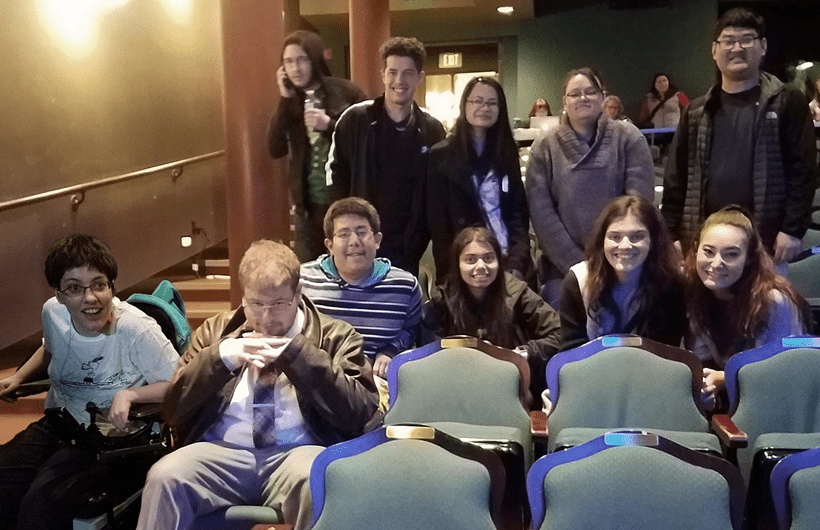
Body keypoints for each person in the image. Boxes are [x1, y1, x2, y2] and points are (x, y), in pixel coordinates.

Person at [136, 240, 379, 530]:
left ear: (298, 293)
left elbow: (360, 413)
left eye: (278, 304)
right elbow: (173, 409)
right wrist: (220, 359)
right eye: (256, 304)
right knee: (165, 476)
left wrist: (299, 356)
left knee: (318, 477)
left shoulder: (336, 335)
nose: (267, 318)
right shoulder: (215, 332)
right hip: (223, 452)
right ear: (243, 298)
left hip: (297, 452)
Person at [0, 235, 178, 530]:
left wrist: (131, 393)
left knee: (41, 508)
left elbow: (180, 383)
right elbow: (50, 346)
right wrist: (19, 377)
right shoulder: (52, 313)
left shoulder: (136, 328)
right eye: (74, 288)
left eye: (99, 284)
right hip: (60, 423)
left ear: (111, 286)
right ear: (59, 294)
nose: (90, 298)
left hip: (112, 437)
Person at [662, 8, 817, 265]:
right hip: (705, 245)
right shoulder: (696, 111)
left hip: (767, 242)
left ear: (763, 46)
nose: (737, 47)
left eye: (746, 39)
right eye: (728, 41)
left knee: (765, 306)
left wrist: (792, 229)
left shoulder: (787, 101)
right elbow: (676, 177)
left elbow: (804, 170)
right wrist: (671, 233)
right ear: (714, 50)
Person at [525, 67, 655, 307]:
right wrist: (580, 268)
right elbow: (541, 213)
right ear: (564, 101)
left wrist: (612, 263)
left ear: (603, 97)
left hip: (624, 263)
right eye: (574, 94)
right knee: (566, 337)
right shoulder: (544, 147)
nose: (582, 98)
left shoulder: (629, 138)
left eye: (590, 91)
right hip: (563, 270)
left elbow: (640, 208)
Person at [326, 36, 446, 276]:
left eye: (408, 73)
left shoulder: (433, 129)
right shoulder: (355, 120)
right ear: (383, 75)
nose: (399, 81)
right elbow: (335, 176)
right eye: (392, 72)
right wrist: (343, 231)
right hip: (358, 243)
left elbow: (437, 191)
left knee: (398, 308)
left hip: (408, 246)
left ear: (420, 77)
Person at [684, 206, 810, 410]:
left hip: (781, 407)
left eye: (731, 254)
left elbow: (783, 373)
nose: (716, 264)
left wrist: (725, 378)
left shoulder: (775, 301)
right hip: (736, 404)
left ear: (749, 258)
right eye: (708, 251)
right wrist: (704, 389)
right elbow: (701, 362)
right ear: (696, 248)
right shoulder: (695, 293)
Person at [421, 227, 561, 409]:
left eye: (488, 258)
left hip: (513, 387)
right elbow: (431, 353)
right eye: (470, 260)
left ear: (499, 261)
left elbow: (558, 331)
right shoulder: (441, 301)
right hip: (457, 387)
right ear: (457, 264)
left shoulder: (518, 292)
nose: (481, 266)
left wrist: (524, 352)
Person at [268, 30, 367, 262]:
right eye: (288, 62)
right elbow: (275, 148)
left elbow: (367, 143)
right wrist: (284, 99)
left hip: (344, 203)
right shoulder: (291, 101)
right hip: (307, 208)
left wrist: (330, 125)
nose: (295, 68)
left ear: (315, 59)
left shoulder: (347, 92)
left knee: (346, 269)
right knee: (307, 275)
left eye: (302, 59)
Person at [300, 197, 422, 382]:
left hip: (380, 385)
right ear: (330, 245)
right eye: (344, 234)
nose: (354, 241)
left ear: (377, 240)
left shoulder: (405, 286)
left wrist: (391, 351)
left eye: (361, 232)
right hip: (320, 384)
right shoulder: (303, 281)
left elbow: (412, 329)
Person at [426, 76, 532, 283]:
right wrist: (450, 278)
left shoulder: (507, 152)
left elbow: (518, 215)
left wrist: (517, 264)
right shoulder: (441, 156)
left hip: (507, 259)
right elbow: (439, 226)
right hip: (466, 264)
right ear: (464, 105)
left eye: (492, 103)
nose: (485, 107)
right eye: (477, 101)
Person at [559, 195, 686, 352]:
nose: (625, 245)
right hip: (591, 373)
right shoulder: (577, 281)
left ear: (653, 241)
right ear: (602, 240)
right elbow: (570, 355)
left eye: (637, 236)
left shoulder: (672, 285)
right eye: (615, 237)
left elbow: (668, 354)